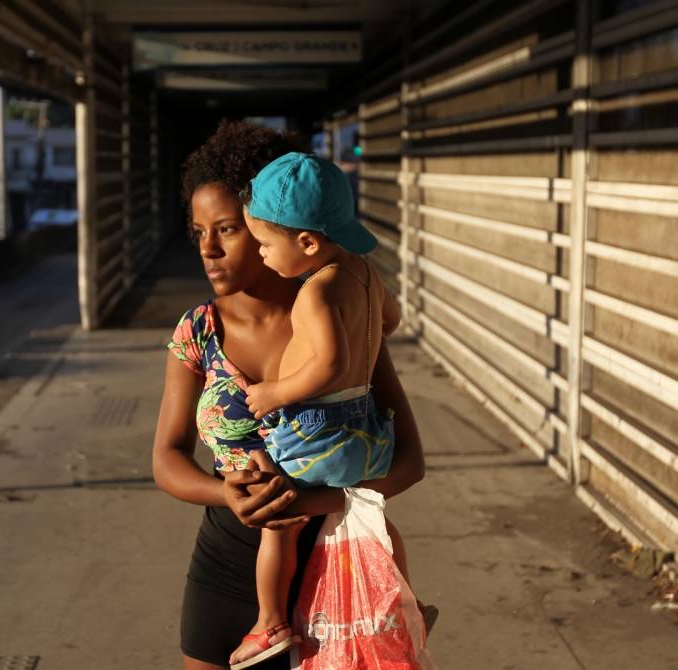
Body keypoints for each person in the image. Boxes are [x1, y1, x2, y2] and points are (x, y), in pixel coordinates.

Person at [151, 120, 426, 670]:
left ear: (284, 229)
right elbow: (166, 458)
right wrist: (226, 493)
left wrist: (305, 503)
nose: (208, 249)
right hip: (225, 569)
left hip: (339, 569)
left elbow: (409, 463)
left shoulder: (338, 321)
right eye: (198, 231)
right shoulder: (197, 333)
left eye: (228, 230)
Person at [228, 151, 409, 668]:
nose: (261, 254)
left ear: (308, 242)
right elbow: (390, 321)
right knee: (370, 516)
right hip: (367, 429)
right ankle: (403, 599)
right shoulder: (365, 273)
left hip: (319, 433)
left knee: (278, 521)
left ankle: (269, 622)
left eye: (265, 244)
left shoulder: (317, 290)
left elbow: (330, 366)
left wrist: (275, 393)